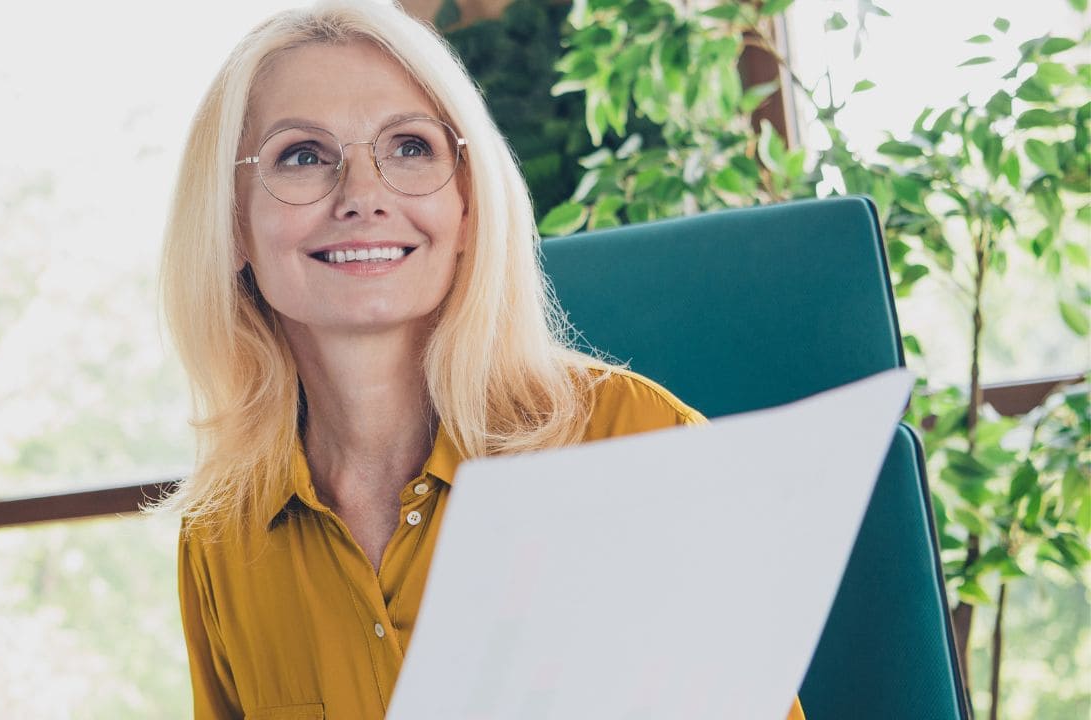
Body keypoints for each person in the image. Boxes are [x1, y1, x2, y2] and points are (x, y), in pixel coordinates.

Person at [159, 2, 806, 718]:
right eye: (303, 156)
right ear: (232, 226)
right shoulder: (221, 535)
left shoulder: (637, 443)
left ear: (468, 205)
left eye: (409, 146)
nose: (364, 197)